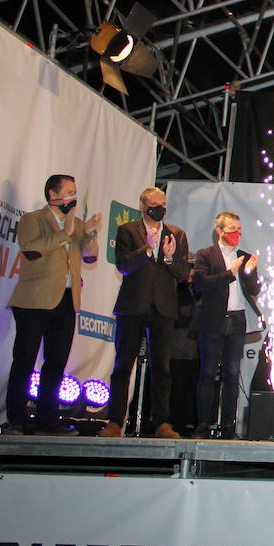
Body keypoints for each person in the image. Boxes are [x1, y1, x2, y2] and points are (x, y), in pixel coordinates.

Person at [3, 174, 102, 435]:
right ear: (52, 194)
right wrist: (62, 234)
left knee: (57, 362)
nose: (73, 197)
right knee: (24, 359)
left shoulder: (77, 224)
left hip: (67, 301)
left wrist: (91, 235)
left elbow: (91, 257)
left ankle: (47, 418)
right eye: (68, 191)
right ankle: (16, 417)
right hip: (34, 301)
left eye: (75, 191)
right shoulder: (32, 219)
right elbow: (31, 250)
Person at [100, 186, 191, 438]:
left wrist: (171, 258)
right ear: (143, 205)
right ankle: (115, 421)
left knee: (162, 367)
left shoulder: (176, 235)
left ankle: (161, 422)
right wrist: (147, 250)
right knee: (122, 365)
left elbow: (184, 273)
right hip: (132, 306)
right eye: (155, 204)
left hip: (163, 308)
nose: (160, 208)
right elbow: (123, 265)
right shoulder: (128, 230)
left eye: (163, 204)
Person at [191, 212, 262, 439]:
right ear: (219, 231)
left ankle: (228, 426)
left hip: (238, 319)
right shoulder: (205, 255)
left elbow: (254, 289)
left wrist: (248, 272)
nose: (236, 233)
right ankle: (203, 423)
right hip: (213, 319)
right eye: (231, 229)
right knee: (208, 373)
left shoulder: (244, 257)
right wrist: (229, 273)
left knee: (232, 373)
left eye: (239, 228)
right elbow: (200, 283)